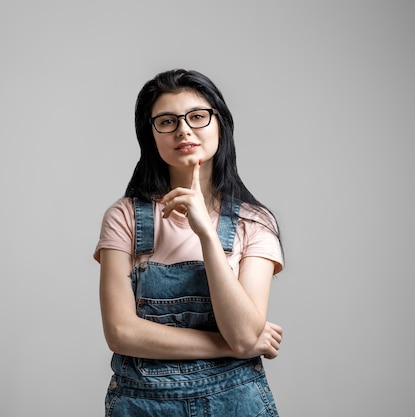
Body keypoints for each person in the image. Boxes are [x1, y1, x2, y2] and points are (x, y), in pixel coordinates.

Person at [93, 68, 284, 416]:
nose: (183, 129)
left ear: (220, 124)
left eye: (197, 116)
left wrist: (207, 235)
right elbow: (121, 333)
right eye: (167, 121)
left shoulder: (254, 223)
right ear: (150, 135)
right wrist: (230, 347)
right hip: (142, 405)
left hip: (236, 403)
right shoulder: (125, 218)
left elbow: (242, 334)